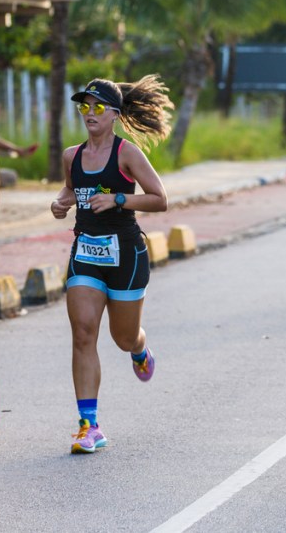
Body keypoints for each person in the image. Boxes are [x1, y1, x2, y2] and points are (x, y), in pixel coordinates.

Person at [50, 76, 172, 454]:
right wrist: (61, 202)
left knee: (123, 337)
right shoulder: (72, 155)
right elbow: (72, 189)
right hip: (85, 252)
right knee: (83, 333)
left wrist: (119, 199)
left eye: (97, 106)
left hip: (126, 254)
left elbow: (159, 199)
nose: (89, 112)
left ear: (115, 115)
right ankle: (89, 425)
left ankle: (139, 349)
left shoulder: (127, 154)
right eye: (84, 106)